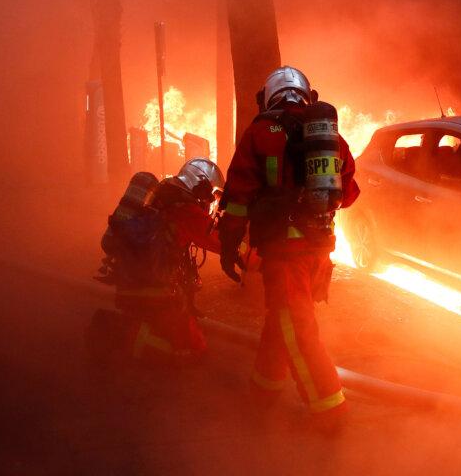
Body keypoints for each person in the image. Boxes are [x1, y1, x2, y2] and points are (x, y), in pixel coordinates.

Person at [216, 66, 359, 430]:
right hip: (319, 251)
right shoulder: (329, 137)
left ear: (268, 97)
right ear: (307, 96)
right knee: (284, 319)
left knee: (297, 327)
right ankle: (264, 388)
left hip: (283, 253)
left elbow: (237, 198)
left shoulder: (260, 132)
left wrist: (230, 244)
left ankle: (330, 410)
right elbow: (349, 193)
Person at [89, 158, 223, 366]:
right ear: (202, 185)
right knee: (193, 351)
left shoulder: (161, 198)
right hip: (156, 293)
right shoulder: (187, 211)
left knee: (186, 336)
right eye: (211, 195)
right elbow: (223, 243)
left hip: (131, 283)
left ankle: (131, 329)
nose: (210, 203)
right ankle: (119, 332)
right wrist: (261, 252)